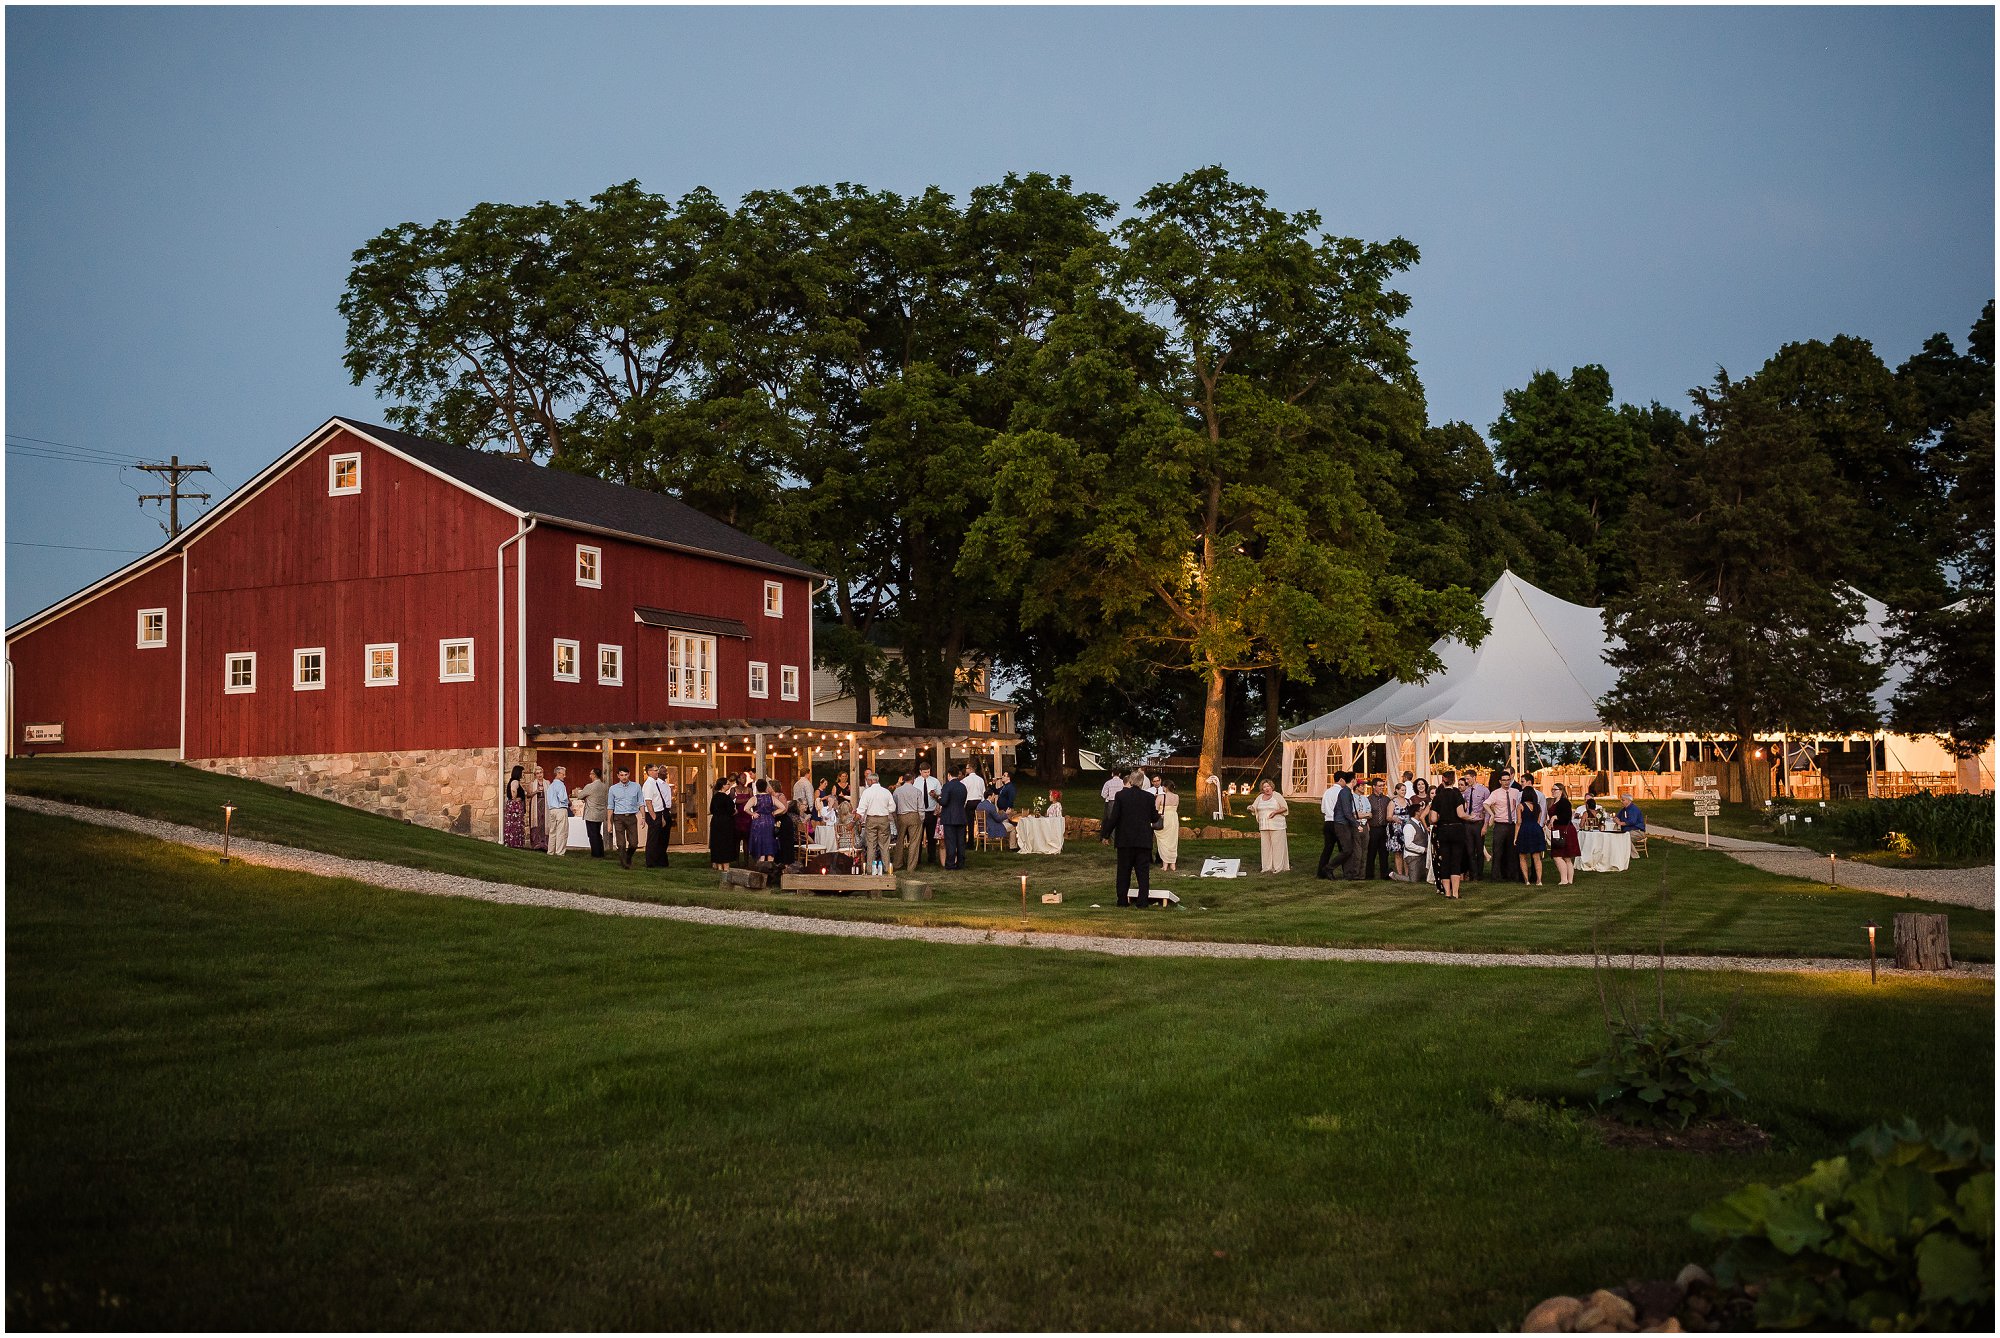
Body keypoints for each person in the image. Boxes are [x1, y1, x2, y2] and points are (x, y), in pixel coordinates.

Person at [1101, 769, 1161, 906]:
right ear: (1142, 782)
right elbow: (1154, 818)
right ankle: (1142, 901)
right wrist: (1158, 814)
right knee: (1143, 873)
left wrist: (1106, 835)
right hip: (1143, 840)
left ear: (1131, 781)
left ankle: (1122, 900)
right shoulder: (1149, 797)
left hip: (1125, 840)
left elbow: (1114, 817)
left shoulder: (1121, 796)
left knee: (1123, 872)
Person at [1427, 769, 1468, 899]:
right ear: (1454, 780)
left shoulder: (1438, 797)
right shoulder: (1457, 795)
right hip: (1457, 829)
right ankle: (1455, 892)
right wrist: (1471, 817)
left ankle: (1447, 892)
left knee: (1445, 859)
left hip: (1443, 829)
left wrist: (1440, 817)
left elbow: (1433, 819)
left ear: (1443, 780)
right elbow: (1461, 814)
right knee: (1456, 860)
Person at [1483, 768, 1521, 884]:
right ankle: (1495, 876)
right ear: (1500, 781)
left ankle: (1512, 875)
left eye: (1508, 780)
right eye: (1504, 780)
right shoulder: (1496, 793)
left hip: (1512, 825)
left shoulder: (1516, 792)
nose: (1506, 782)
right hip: (1500, 825)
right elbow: (1486, 804)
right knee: (1498, 850)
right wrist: (1492, 814)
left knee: (1512, 851)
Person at [856, 770, 897, 872]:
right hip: (883, 819)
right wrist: (884, 811)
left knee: (871, 845)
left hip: (871, 819)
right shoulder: (886, 792)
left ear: (870, 781)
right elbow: (893, 807)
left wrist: (854, 820)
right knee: (884, 845)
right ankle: (887, 868)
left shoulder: (867, 792)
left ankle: (870, 869)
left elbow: (861, 809)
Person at [1249, 779, 1289, 875]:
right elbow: (1254, 807)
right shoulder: (1260, 797)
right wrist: (1250, 807)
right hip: (1264, 825)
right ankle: (1267, 867)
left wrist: (1275, 812)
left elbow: (1285, 807)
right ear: (1262, 789)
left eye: (1268, 786)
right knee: (1265, 847)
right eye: (1264, 787)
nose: (1266, 788)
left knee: (1277, 846)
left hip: (1277, 825)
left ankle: (1278, 867)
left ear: (1271, 787)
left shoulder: (1277, 796)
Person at [607, 767, 643, 869]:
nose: (624, 777)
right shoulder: (613, 789)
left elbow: (641, 802)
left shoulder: (636, 787)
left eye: (626, 775)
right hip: (618, 817)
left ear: (629, 774)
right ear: (618, 776)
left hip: (632, 816)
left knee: (634, 843)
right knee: (621, 843)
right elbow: (610, 806)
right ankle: (625, 864)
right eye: (622, 775)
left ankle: (628, 857)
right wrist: (609, 823)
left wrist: (643, 817)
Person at [1316, 771, 1349, 879]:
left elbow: (1323, 809)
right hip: (1338, 823)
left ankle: (1321, 872)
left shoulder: (1327, 792)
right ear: (1341, 780)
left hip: (1328, 822)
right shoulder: (1342, 792)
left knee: (1328, 848)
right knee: (1344, 849)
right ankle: (1345, 871)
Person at [1514, 784, 1548, 886]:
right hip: (1536, 830)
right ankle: (1539, 880)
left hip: (1525, 829)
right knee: (1537, 857)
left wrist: (1515, 837)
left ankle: (1527, 880)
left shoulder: (1520, 806)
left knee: (1522, 856)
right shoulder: (1538, 807)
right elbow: (1538, 821)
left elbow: (1518, 822)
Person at [1548, 781, 1580, 885]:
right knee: (1566, 857)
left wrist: (1555, 817)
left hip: (1564, 831)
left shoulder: (1564, 802)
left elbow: (1566, 816)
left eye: (1555, 789)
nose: (1553, 791)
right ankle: (1568, 880)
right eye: (1552, 789)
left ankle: (1565, 879)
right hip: (1559, 830)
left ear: (1561, 791)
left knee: (1559, 856)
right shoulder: (1555, 802)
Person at [641, 765, 673, 868]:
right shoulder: (649, 784)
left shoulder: (654, 783)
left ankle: (659, 860)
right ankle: (651, 862)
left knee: (659, 839)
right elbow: (648, 801)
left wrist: (661, 816)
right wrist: (654, 816)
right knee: (653, 839)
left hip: (660, 812)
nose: (657, 773)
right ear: (649, 772)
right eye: (655, 771)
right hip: (654, 814)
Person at [892, 772, 925, 871]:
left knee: (899, 841)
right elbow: (921, 807)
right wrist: (921, 819)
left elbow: (894, 806)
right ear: (913, 779)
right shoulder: (917, 791)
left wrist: (896, 818)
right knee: (914, 841)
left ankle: (897, 863)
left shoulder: (897, 791)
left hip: (901, 816)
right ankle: (911, 866)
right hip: (914, 815)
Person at [1461, 770, 1490, 880]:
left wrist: (1485, 825)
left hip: (1479, 823)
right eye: (1465, 779)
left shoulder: (1484, 790)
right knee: (1470, 850)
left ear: (1474, 777)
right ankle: (1473, 874)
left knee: (1479, 849)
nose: (1467, 781)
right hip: (1468, 823)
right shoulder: (1467, 792)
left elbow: (1487, 809)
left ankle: (1479, 874)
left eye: (1468, 778)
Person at [939, 766, 970, 870]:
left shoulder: (947, 786)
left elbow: (944, 802)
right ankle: (961, 863)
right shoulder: (963, 786)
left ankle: (950, 864)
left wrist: (938, 798)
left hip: (950, 817)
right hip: (961, 816)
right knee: (960, 842)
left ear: (949, 775)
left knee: (951, 842)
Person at [913, 762, 942, 866]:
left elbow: (940, 795)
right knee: (918, 837)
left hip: (931, 811)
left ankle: (932, 859)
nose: (927, 774)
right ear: (920, 772)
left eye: (928, 772)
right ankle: (918, 859)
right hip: (920, 812)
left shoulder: (935, 781)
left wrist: (935, 795)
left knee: (931, 837)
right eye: (925, 772)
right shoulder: (916, 782)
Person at [1365, 778, 1394, 879]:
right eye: (1380, 786)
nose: (1382, 787)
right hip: (1373, 828)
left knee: (1384, 852)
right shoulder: (1368, 799)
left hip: (1384, 828)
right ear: (1374, 787)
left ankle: (1384, 874)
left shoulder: (1387, 800)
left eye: (1383, 785)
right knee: (1371, 852)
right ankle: (1369, 874)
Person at [707, 779, 738, 870]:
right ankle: (725, 864)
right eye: (728, 784)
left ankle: (718, 864)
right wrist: (735, 811)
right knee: (725, 842)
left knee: (717, 842)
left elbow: (712, 809)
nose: (729, 785)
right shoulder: (726, 798)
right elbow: (731, 810)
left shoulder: (715, 796)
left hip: (716, 821)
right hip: (725, 822)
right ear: (723, 786)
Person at [579, 768, 609, 858]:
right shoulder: (604, 786)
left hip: (591, 813)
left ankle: (595, 854)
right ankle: (601, 852)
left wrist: (584, 796)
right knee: (598, 833)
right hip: (600, 813)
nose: (590, 776)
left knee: (592, 834)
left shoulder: (590, 786)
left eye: (591, 774)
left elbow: (580, 796)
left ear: (594, 775)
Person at [748, 780, 778, 865]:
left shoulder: (755, 798)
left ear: (757, 787)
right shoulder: (771, 798)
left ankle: (760, 866)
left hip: (758, 822)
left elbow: (745, 808)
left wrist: (753, 813)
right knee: (769, 844)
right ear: (766, 787)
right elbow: (782, 807)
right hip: (769, 821)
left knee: (760, 844)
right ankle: (770, 867)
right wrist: (773, 813)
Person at [544, 766, 571, 856]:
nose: (564, 776)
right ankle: (560, 852)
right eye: (563, 774)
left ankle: (550, 851)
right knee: (561, 832)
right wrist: (568, 801)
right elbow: (562, 798)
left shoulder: (550, 786)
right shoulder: (560, 785)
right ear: (558, 774)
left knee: (553, 832)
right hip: (560, 809)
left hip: (552, 810)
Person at [1154, 779, 1180, 871]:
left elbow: (1156, 809)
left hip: (1164, 818)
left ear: (1165, 787)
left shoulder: (1161, 797)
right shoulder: (1176, 797)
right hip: (1173, 818)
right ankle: (1172, 864)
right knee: (1172, 840)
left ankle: (1165, 864)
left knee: (1164, 841)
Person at [503, 765, 529, 848]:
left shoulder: (513, 781)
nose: (523, 774)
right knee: (515, 824)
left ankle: (514, 842)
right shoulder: (515, 782)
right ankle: (514, 842)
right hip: (515, 806)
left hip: (513, 805)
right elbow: (513, 791)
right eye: (522, 772)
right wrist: (515, 798)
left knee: (514, 823)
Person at [776, 800, 801, 869]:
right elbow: (801, 829)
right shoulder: (795, 817)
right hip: (794, 838)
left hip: (785, 836)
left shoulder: (787, 816)